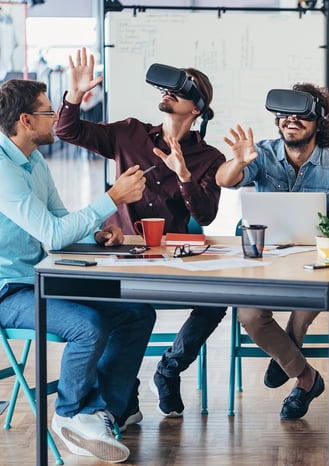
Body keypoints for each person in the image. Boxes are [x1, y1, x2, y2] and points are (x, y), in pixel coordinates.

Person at [55, 48, 227, 419]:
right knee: (126, 311)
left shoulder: (209, 157)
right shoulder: (129, 133)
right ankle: (124, 393)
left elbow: (207, 216)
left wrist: (183, 176)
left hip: (172, 261)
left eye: (178, 90)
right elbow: (67, 130)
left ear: (196, 108)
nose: (166, 93)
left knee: (216, 301)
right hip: (122, 256)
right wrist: (74, 96)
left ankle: (169, 368)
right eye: (164, 88)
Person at [0, 79, 155, 463]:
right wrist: (112, 199)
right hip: (7, 290)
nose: (55, 119)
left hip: (36, 279)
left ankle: (100, 411)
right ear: (25, 120)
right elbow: (52, 234)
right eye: (48, 112)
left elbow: (58, 220)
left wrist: (97, 231)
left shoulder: (33, 160)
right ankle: (70, 414)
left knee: (137, 314)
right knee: (88, 326)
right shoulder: (2, 170)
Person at [216, 82, 329, 419]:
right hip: (265, 265)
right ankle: (305, 375)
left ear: (318, 120)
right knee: (250, 314)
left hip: (319, 265)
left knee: (309, 302)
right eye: (283, 113)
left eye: (300, 114)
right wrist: (239, 162)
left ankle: (290, 359)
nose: (290, 119)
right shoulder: (263, 154)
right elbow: (225, 180)